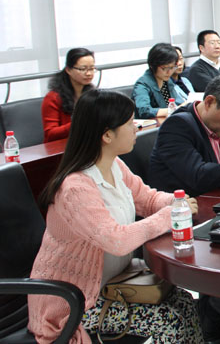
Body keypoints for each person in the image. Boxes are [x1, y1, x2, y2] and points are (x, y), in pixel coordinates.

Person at [28, 89, 203, 344]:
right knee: (169, 320)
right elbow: (116, 240)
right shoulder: (76, 188)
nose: (136, 128)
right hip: (76, 304)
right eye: (130, 123)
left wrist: (175, 202)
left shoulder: (114, 164)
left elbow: (146, 199)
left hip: (115, 285)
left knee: (185, 303)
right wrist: (169, 216)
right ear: (107, 135)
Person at [41, 47, 95, 142]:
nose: (89, 73)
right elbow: (50, 134)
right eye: (83, 69)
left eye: (92, 68)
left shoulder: (92, 94)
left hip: (86, 143)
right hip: (64, 147)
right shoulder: (53, 98)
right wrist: (79, 123)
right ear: (68, 70)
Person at [131, 43, 181, 118]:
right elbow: (144, 111)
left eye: (172, 67)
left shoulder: (167, 81)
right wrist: (173, 110)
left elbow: (176, 102)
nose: (169, 72)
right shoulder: (142, 84)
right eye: (165, 68)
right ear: (152, 65)